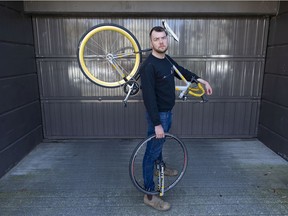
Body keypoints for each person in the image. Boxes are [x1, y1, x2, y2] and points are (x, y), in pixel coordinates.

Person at [139, 26, 213, 211]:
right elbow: (148, 98)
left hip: (166, 113)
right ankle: (149, 194)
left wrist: (200, 80)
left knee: (159, 145)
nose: (161, 42)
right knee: (150, 153)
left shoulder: (167, 59)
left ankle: (160, 166)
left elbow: (181, 71)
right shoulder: (149, 66)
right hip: (159, 116)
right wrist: (157, 124)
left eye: (163, 38)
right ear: (151, 43)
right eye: (156, 39)